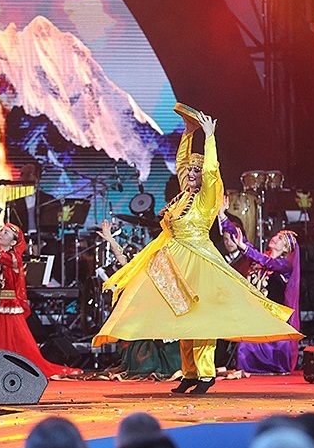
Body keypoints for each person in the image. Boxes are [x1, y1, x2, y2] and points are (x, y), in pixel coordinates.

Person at [100, 135, 294, 380]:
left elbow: (212, 170)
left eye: (196, 170)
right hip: (175, 262)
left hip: (198, 259)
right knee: (184, 322)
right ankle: (189, 373)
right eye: (189, 170)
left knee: (202, 321)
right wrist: (188, 131)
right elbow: (181, 162)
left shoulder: (205, 198)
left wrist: (210, 136)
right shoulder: (182, 197)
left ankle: (205, 375)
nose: (190, 173)